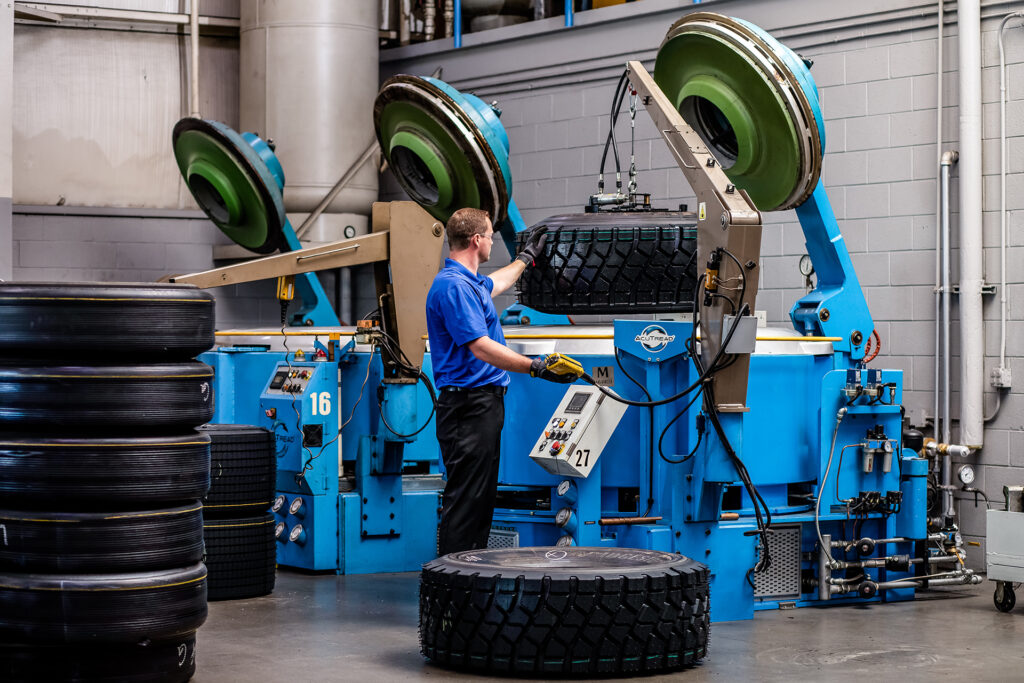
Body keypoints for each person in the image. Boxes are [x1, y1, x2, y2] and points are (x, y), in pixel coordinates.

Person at [426, 207, 582, 556]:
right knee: (467, 500)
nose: (493, 242)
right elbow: (480, 347)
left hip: (480, 404)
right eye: (491, 236)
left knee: (478, 497)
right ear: (477, 240)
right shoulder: (454, 287)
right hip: (468, 405)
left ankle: (469, 574)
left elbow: (500, 281)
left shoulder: (470, 283)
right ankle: (454, 582)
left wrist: (526, 257)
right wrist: (535, 367)